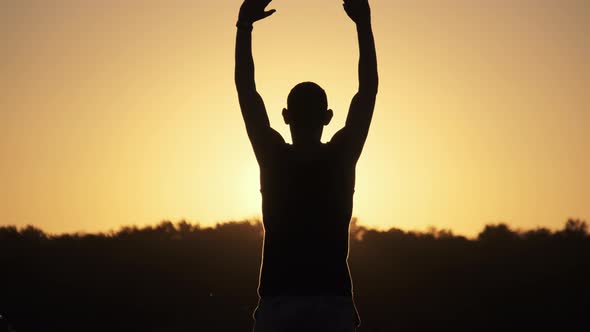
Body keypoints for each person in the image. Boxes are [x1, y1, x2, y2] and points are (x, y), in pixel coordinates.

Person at [234, 0, 378, 331]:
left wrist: (244, 27)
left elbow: (247, 92)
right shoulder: (341, 157)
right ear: (328, 118)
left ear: (285, 117)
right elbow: (367, 91)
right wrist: (363, 24)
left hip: (279, 305)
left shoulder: (273, 156)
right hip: (332, 306)